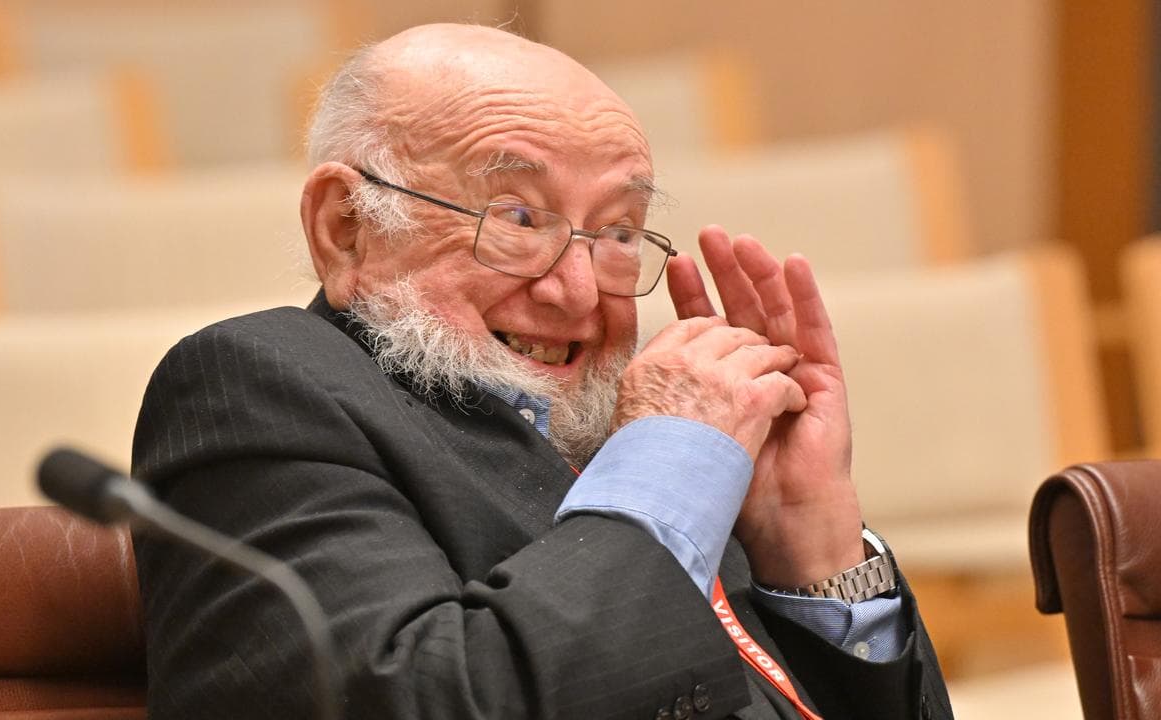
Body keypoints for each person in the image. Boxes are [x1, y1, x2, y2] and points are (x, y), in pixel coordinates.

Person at [131, 23, 953, 720]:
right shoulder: (259, 388)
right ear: (346, 229)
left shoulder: (649, 432)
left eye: (619, 232)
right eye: (518, 219)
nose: (575, 290)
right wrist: (670, 471)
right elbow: (418, 700)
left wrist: (814, 549)